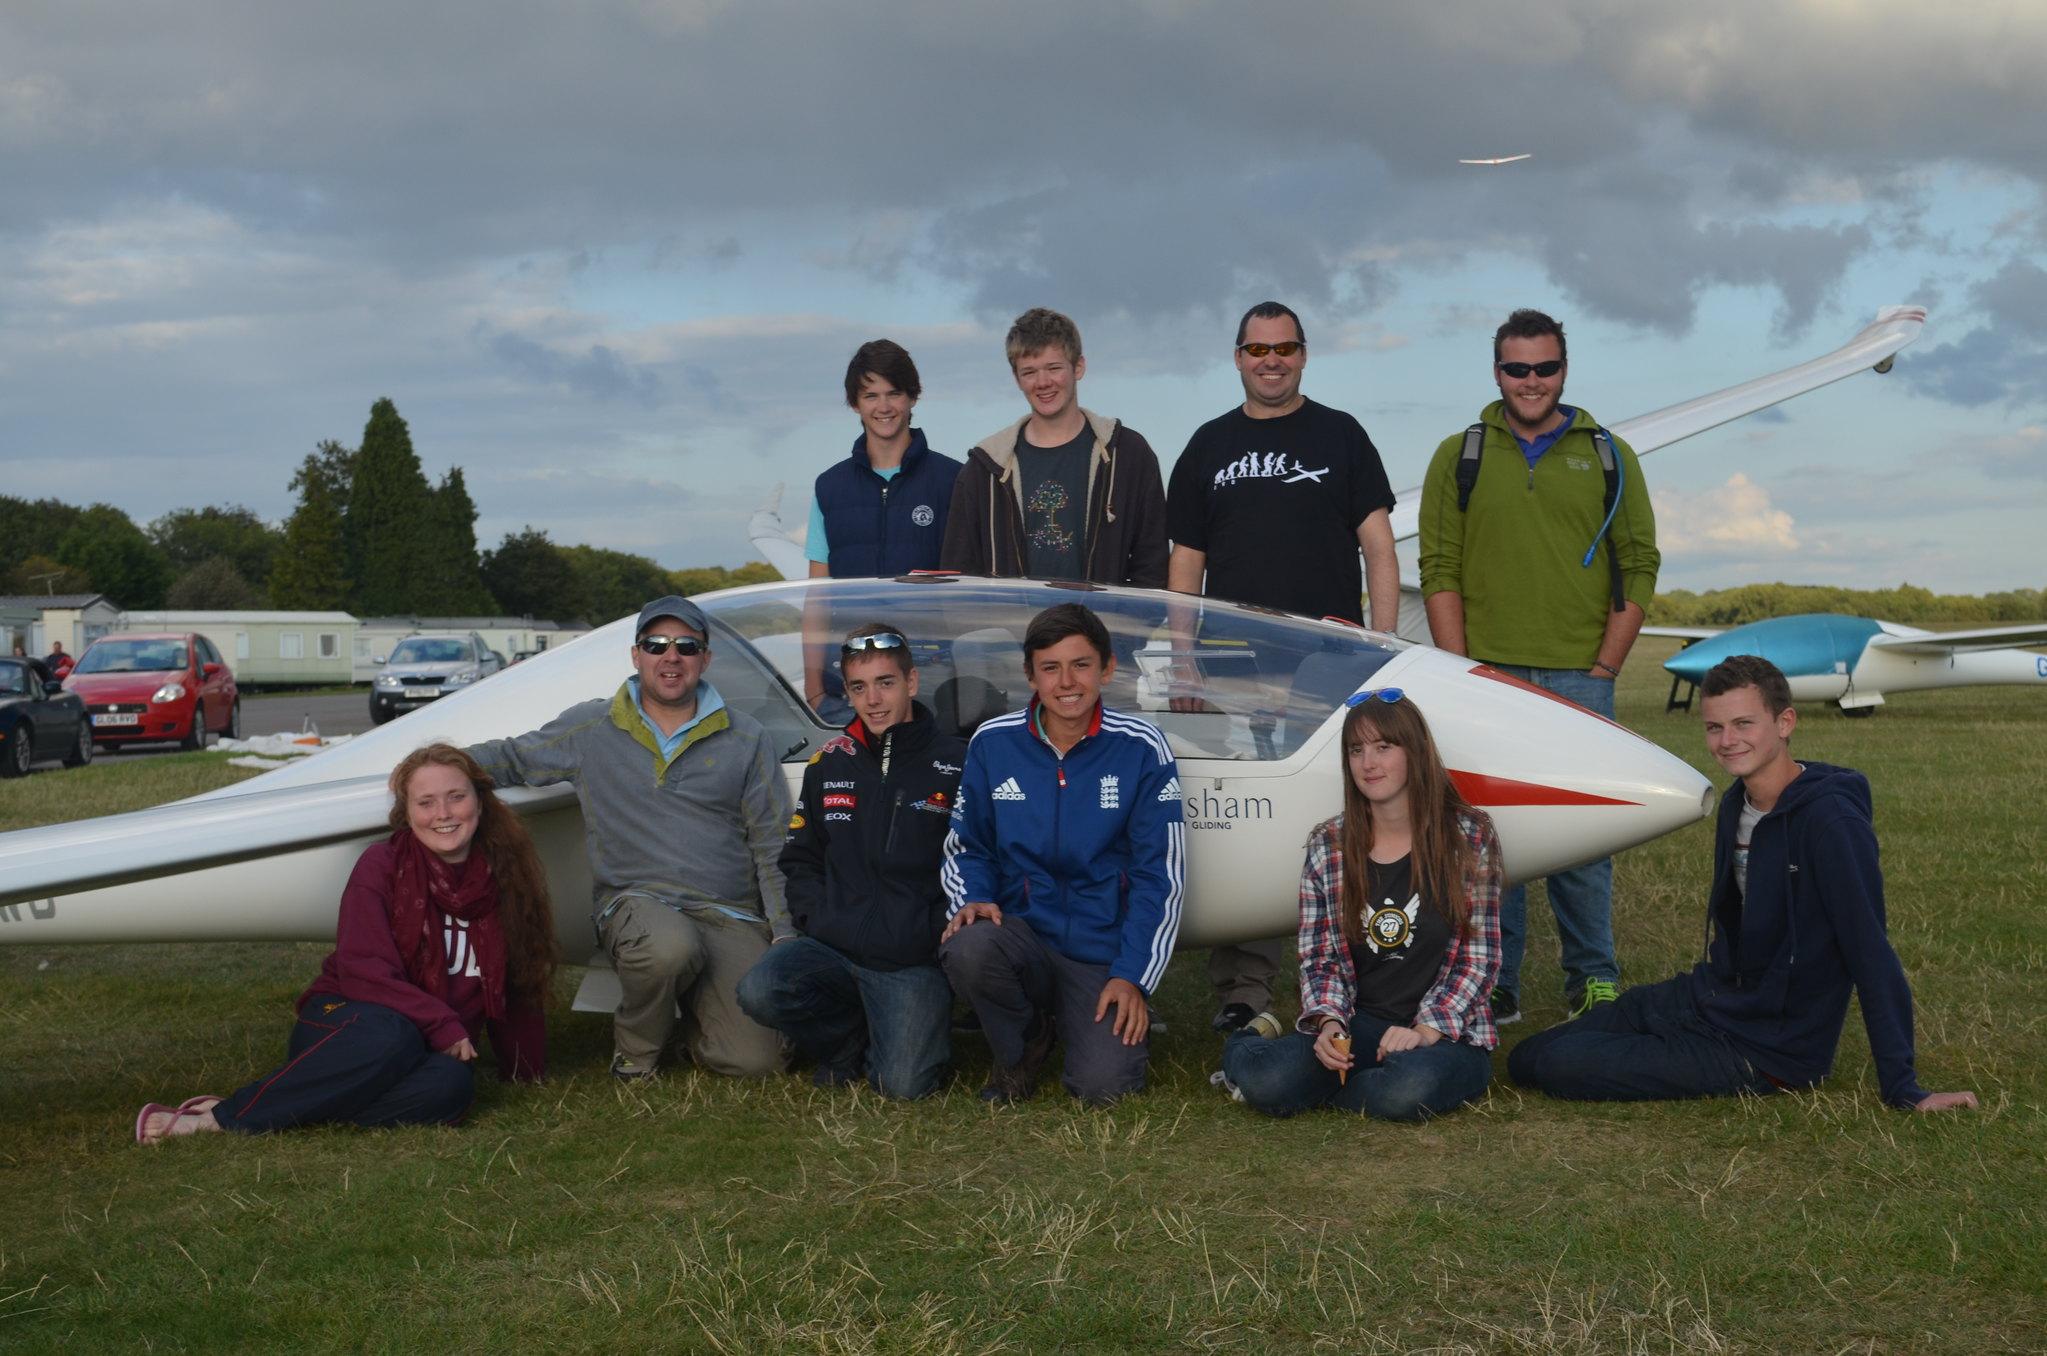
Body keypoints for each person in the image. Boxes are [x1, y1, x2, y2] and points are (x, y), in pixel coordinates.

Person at [1508, 656, 1979, 1113]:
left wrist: (1903, 1086)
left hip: (1768, 1047)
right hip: (1713, 999)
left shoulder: (1832, 823)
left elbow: (1870, 951)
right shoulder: (1737, 803)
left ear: (1785, 722)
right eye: (1715, 727)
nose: (1728, 741)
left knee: (1556, 1064)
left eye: (1743, 724)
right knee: (1526, 1055)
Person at [1165, 299, 1401, 1035]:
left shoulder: (1341, 434)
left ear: (1303, 354)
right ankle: (1245, 991)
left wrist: (1382, 646)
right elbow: (1185, 561)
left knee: (1346, 818)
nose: (1272, 361)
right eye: (1258, 350)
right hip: (1232, 666)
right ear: (1238, 357)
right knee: (1246, 823)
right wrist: (1182, 660)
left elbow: (1379, 546)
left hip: (1328, 668)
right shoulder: (1208, 445)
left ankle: (1365, 975)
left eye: (1285, 349)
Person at [1418, 308, 1658, 1025]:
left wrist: (1606, 664)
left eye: (1544, 367)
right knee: (1489, 840)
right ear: (1497, 372)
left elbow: (1639, 561)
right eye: (1516, 368)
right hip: (1487, 677)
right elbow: (1439, 566)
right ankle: (1495, 981)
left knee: (1583, 840)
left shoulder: (1609, 453)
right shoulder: (1457, 454)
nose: (1531, 381)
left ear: (1564, 370)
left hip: (1580, 675)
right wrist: (1458, 673)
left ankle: (1593, 978)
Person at [135, 744, 556, 1141]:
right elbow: (363, 972)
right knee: (394, 1034)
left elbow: (519, 978)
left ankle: (295, 1105)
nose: (443, 814)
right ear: (407, 813)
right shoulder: (382, 865)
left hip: (423, 1043)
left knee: (451, 1085)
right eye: (426, 802)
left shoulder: (506, 875)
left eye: (456, 797)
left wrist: (525, 1069)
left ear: (480, 803)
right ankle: (219, 1119)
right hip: (348, 1025)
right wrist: (442, 1024)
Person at [468, 595, 790, 1080]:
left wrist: (784, 932)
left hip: (727, 913)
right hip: (637, 903)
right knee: (669, 948)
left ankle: (695, 1029)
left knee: (758, 1061)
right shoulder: (591, 726)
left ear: (705, 659)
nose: (671, 656)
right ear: (636, 655)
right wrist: (432, 769)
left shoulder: (747, 736)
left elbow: (772, 844)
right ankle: (636, 1056)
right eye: (656, 644)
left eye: (686, 646)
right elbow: (512, 757)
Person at [939, 602, 1183, 1105]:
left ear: (1107, 669)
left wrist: (1132, 976)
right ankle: (1022, 1045)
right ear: (1031, 675)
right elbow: (968, 845)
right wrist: (973, 898)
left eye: (1081, 665)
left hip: (1100, 952)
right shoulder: (993, 742)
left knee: (1104, 1087)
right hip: (1021, 936)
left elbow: (1160, 876)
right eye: (1050, 668)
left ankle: (1078, 1020)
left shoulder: (1142, 747)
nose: (1067, 682)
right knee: (970, 946)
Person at [1219, 689, 1501, 1121]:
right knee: (1268, 1081)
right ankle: (1246, 1044)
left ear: (1415, 751)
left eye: (1383, 747)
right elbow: (1320, 958)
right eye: (1356, 750)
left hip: (1447, 1033)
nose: (1368, 763)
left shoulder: (1469, 835)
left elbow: (1478, 958)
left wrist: (1426, 1030)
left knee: (1409, 1089)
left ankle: (1330, 1088)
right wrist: (1331, 1023)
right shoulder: (1329, 844)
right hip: (1361, 1022)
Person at [738, 623, 965, 1098]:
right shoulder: (829, 762)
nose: (873, 700)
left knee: (903, 1086)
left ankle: (896, 1030)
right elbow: (800, 859)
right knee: (760, 989)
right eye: (859, 688)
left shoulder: (957, 761)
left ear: (911, 682)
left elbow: (973, 860)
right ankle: (845, 1042)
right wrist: (821, 919)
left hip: (910, 959)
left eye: (886, 683)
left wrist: (929, 931)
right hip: (834, 948)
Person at [940, 308, 1168, 587]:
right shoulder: (985, 469)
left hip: (1102, 617)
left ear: (1078, 367)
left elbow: (1152, 562)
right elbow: (959, 576)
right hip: (1014, 617)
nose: (1043, 382)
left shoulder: (1127, 454)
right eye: (1029, 372)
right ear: (1017, 378)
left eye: (1054, 368)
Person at [801, 340, 963, 712]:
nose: (884, 407)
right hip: (849, 679)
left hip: (931, 676)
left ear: (913, 397)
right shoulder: (829, 487)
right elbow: (817, 597)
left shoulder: (954, 480)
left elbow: (971, 589)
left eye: (894, 393)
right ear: (854, 403)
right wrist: (813, 687)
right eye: (871, 395)